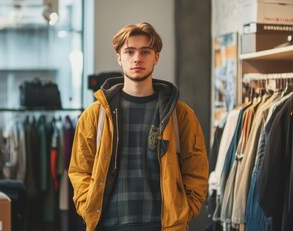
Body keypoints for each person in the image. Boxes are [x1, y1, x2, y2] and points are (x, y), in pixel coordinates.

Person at [68, 22, 209, 231]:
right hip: (108, 225)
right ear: (119, 57)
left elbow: (196, 171)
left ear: (156, 57)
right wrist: (88, 205)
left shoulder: (180, 115)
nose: (137, 58)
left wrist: (184, 212)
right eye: (129, 51)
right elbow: (80, 170)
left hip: (162, 226)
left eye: (145, 52)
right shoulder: (94, 115)